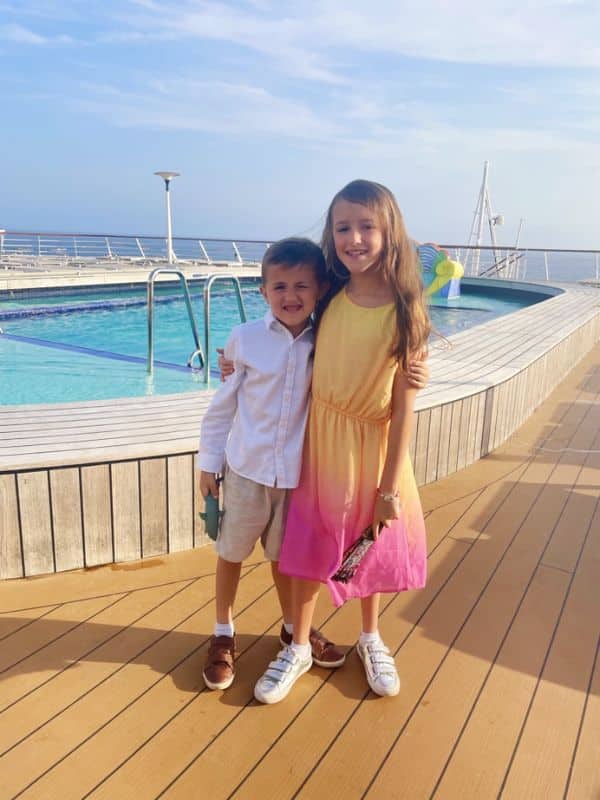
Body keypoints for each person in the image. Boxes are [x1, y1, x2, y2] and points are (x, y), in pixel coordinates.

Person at [253, 180, 431, 704]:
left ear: (389, 231)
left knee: (368, 544)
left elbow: (404, 408)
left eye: (366, 227)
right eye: (343, 228)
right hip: (321, 439)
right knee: (307, 543)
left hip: (373, 444)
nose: (354, 238)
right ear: (332, 235)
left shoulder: (405, 308)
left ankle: (370, 636)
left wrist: (390, 484)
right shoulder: (329, 290)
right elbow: (283, 318)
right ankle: (299, 644)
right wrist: (236, 356)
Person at [197, 238, 347, 691]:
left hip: (295, 477)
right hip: (245, 471)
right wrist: (209, 464)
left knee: (285, 560)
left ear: (320, 289)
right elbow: (222, 407)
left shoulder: (326, 343)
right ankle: (223, 631)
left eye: (302, 285)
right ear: (263, 291)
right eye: (279, 285)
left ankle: (291, 628)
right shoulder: (244, 339)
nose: (291, 295)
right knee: (231, 553)